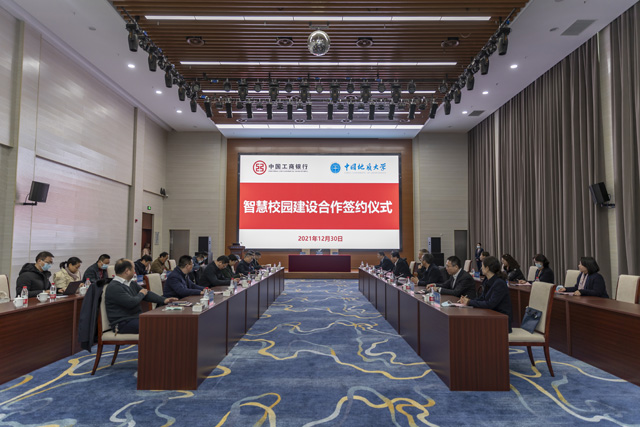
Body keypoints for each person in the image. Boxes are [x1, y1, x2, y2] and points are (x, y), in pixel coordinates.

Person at [105, 258, 177, 334]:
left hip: (135, 318)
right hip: (122, 323)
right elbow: (131, 303)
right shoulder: (114, 287)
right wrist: (141, 294)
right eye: (133, 269)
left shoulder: (130, 283)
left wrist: (164, 300)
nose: (135, 271)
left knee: (162, 321)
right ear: (127, 271)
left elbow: (146, 293)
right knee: (157, 325)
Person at [459, 256, 513, 332]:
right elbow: (482, 298)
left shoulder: (499, 283)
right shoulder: (487, 280)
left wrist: (470, 302)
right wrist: (468, 301)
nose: (481, 268)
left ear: (487, 268)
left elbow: (490, 304)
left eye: (482, 266)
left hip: (501, 320)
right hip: (490, 316)